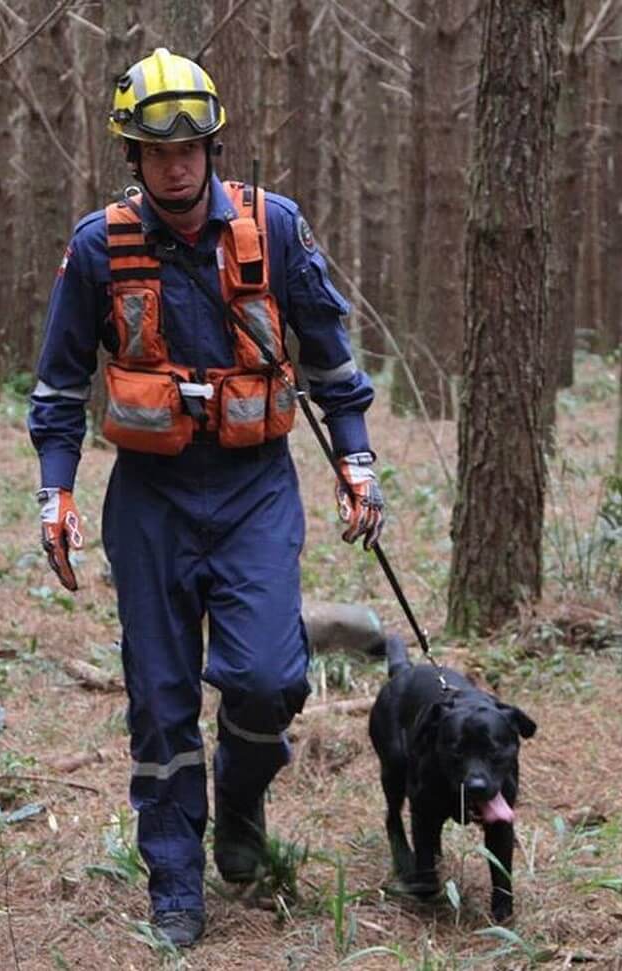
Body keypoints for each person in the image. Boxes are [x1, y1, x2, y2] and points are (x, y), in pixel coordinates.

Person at [28, 48, 384, 948]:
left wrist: (356, 461)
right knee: (159, 694)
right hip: (149, 499)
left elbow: (333, 359)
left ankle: (243, 798)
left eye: (190, 148)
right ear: (134, 157)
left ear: (214, 147)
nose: (176, 165)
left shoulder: (276, 228)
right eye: (157, 150)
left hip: (255, 487)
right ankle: (175, 880)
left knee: (269, 678)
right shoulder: (97, 246)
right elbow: (60, 389)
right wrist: (54, 493)